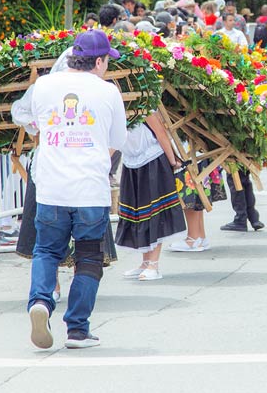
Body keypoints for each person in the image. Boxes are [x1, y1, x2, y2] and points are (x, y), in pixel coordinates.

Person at [26, 30, 127, 350]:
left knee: (46, 250)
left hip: (51, 187)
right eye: (107, 61)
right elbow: (117, 143)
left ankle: (40, 302)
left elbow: (32, 125)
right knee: (88, 258)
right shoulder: (108, 92)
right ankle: (78, 330)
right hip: (89, 190)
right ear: (98, 61)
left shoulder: (42, 86)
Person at [115, 115, 186, 281]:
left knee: (154, 212)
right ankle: (145, 262)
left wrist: (172, 161)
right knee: (139, 214)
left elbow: (160, 133)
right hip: (131, 162)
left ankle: (154, 263)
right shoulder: (113, 107)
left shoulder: (144, 103)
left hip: (153, 160)